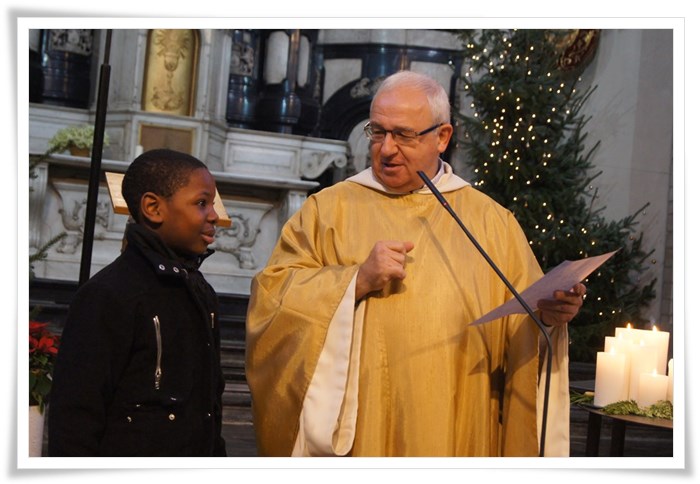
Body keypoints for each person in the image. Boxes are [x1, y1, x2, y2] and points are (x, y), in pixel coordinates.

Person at [245, 71, 585, 457]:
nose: (387, 149)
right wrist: (354, 280)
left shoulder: (492, 222)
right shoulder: (327, 210)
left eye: (404, 135)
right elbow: (272, 301)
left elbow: (523, 318)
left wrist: (551, 316)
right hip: (364, 428)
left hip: (459, 423)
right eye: (377, 132)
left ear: (442, 137)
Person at [48, 149, 227, 456]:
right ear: (153, 208)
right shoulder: (109, 294)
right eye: (201, 203)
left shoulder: (199, 290)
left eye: (212, 203)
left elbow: (209, 404)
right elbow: (76, 416)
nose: (215, 216)